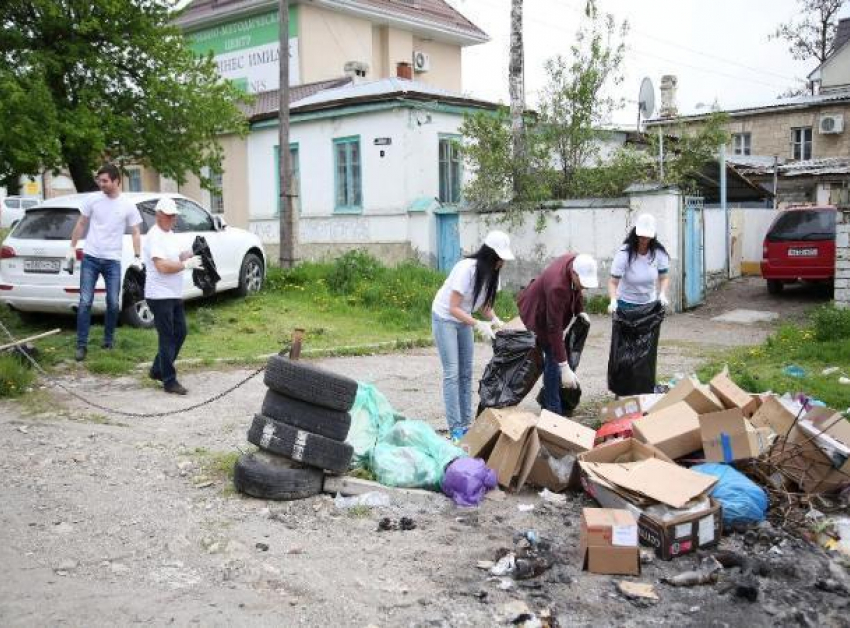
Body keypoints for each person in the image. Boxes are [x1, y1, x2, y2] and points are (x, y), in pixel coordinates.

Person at [432, 231, 514, 441]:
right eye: (500, 259)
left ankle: (467, 424)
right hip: (445, 319)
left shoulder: (493, 275)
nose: (502, 263)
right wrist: (478, 324)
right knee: (452, 372)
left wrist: (496, 321)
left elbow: (486, 306)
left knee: (467, 372)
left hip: (464, 319)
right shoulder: (466, 269)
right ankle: (455, 428)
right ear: (490, 255)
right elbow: (453, 308)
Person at [68, 164, 143, 361]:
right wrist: (72, 247)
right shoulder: (92, 200)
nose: (101, 184)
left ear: (116, 181)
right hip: (91, 257)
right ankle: (81, 345)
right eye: (99, 181)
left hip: (112, 260)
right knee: (85, 302)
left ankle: (108, 341)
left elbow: (135, 231)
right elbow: (81, 223)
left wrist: (137, 256)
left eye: (105, 181)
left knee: (112, 303)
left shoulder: (127, 205)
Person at [517, 253, 598, 416]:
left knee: (555, 359)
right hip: (537, 311)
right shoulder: (558, 287)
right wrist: (564, 366)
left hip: (550, 308)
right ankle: (553, 410)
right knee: (554, 359)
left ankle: (549, 402)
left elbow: (577, 290)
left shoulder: (575, 260)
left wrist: (579, 311)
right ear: (574, 273)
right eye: (583, 283)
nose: (585, 287)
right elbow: (554, 329)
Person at [143, 197, 204, 395]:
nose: (172, 219)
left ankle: (157, 369)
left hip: (173, 293)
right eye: (168, 216)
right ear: (158, 215)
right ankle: (169, 380)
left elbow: (176, 256)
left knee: (180, 332)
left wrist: (189, 254)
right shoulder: (154, 236)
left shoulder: (169, 233)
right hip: (159, 295)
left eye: (173, 216)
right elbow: (161, 266)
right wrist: (186, 265)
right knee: (167, 337)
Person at [607, 214, 670, 314]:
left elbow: (664, 277)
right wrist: (613, 300)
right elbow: (613, 282)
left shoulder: (659, 253)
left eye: (647, 236)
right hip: (626, 304)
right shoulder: (624, 253)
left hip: (649, 304)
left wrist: (662, 294)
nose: (644, 239)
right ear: (636, 233)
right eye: (641, 235)